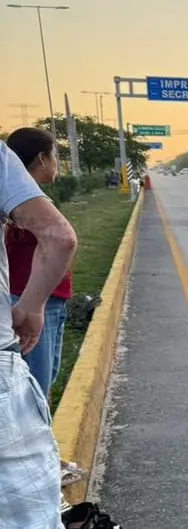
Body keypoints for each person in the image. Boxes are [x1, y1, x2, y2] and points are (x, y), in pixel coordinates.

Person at [0, 139, 78, 528]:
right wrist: (33, 304)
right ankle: (47, 460)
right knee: (39, 385)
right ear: (42, 159)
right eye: (55, 156)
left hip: (39, 302)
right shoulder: (15, 192)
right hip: (27, 311)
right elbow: (60, 238)